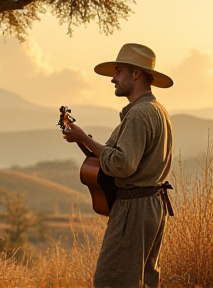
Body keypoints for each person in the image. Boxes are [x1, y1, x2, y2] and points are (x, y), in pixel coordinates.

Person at [62, 43, 174, 288]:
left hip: (133, 208)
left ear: (136, 74)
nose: (113, 78)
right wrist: (88, 143)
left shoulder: (139, 114)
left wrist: (84, 138)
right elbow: (125, 158)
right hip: (152, 206)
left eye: (119, 71)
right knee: (143, 281)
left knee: (112, 280)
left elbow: (122, 165)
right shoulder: (158, 111)